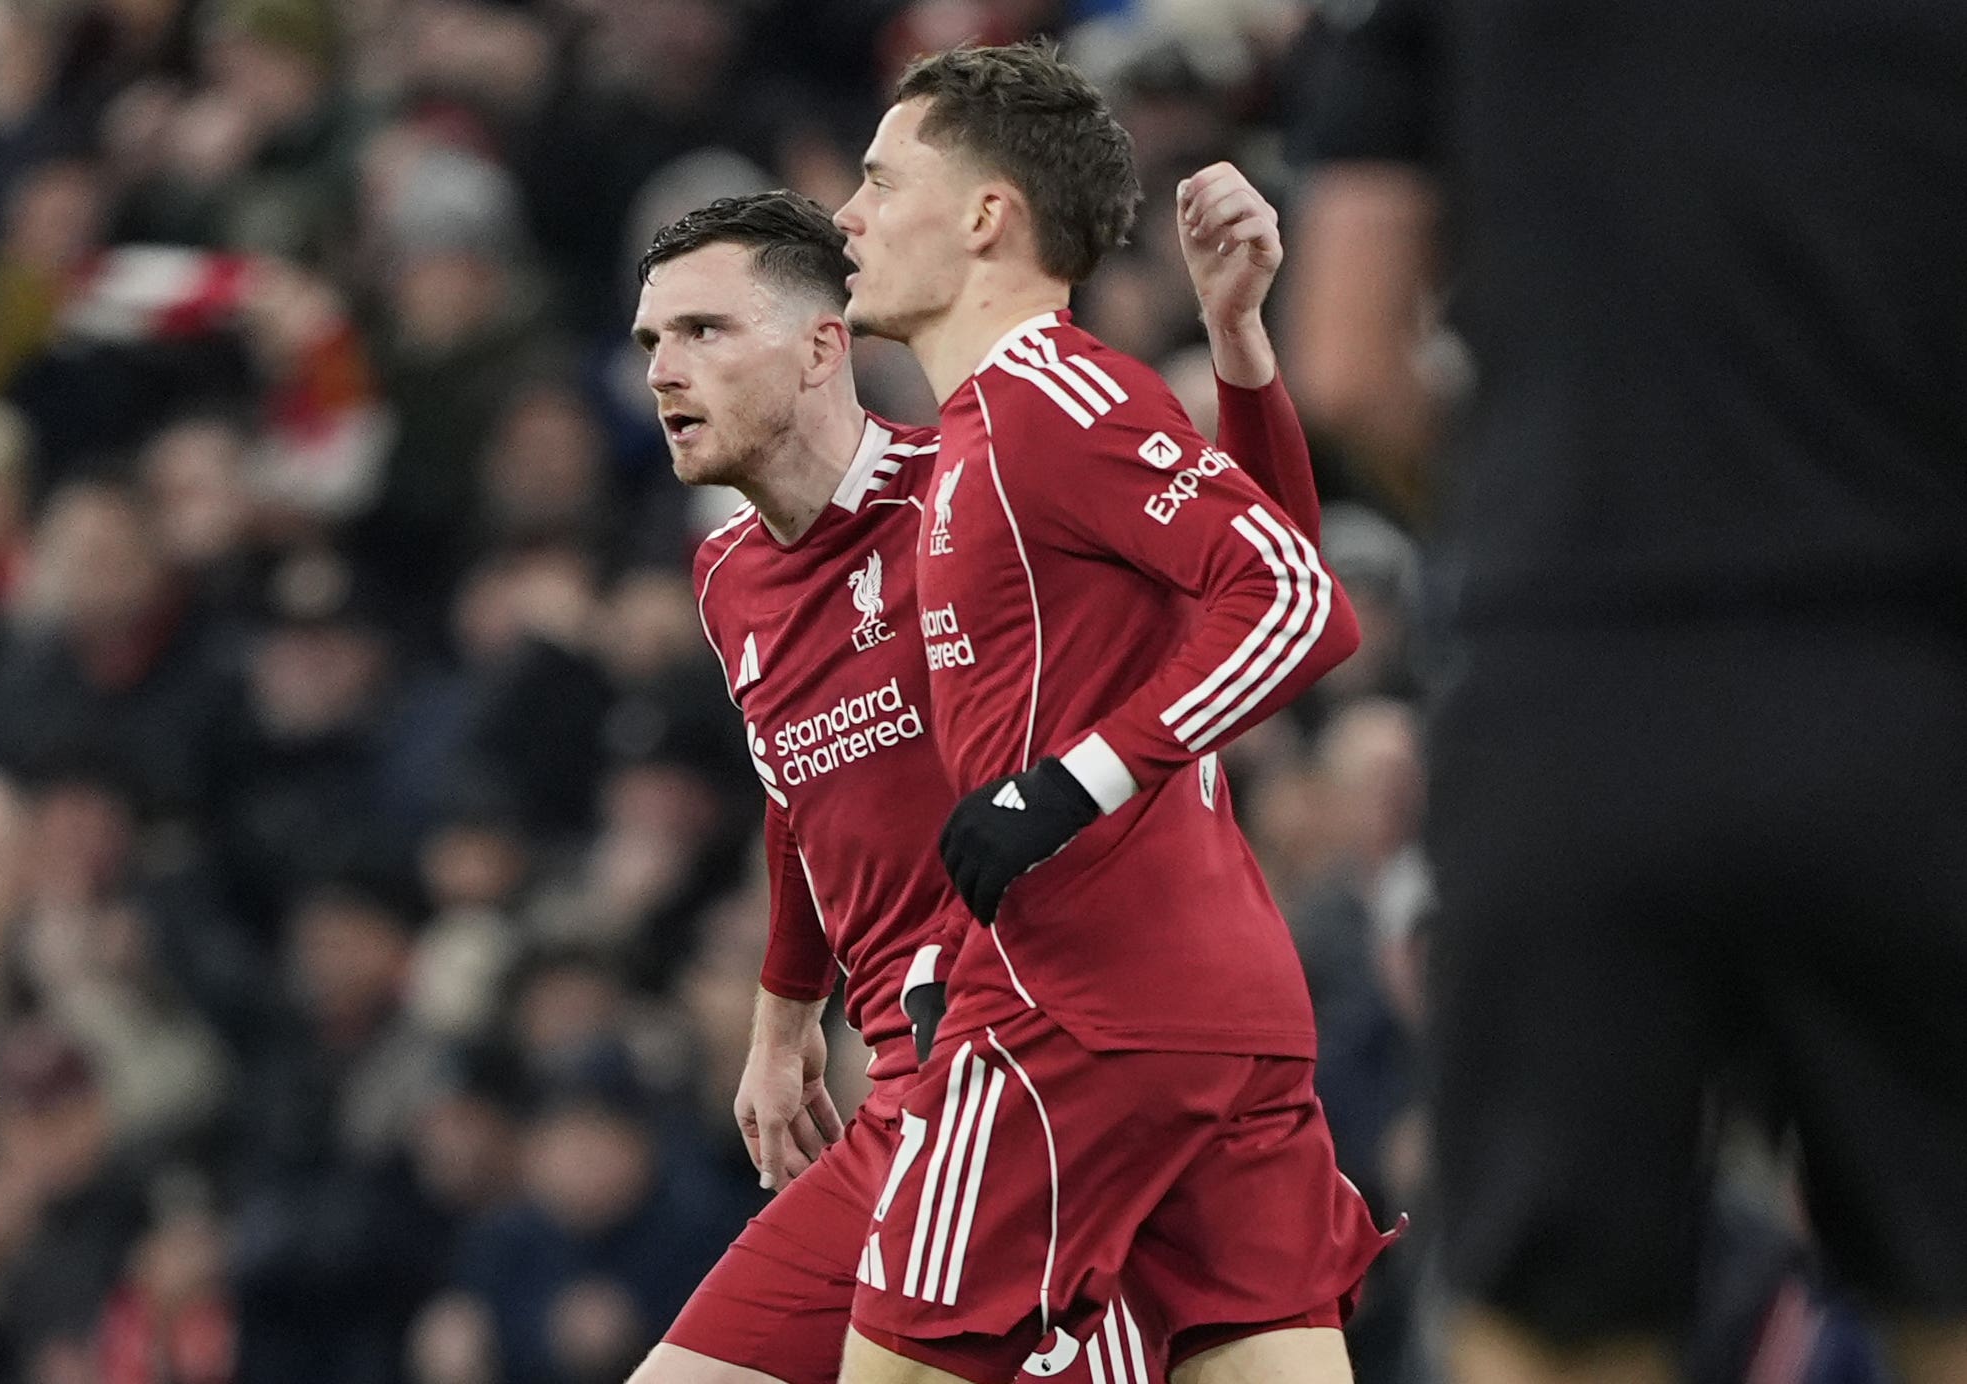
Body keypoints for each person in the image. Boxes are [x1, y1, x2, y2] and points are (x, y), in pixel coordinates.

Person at [1287, 2, 1967, 1383]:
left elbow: (1351, 362)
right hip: (1902, 685)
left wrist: (1527, 533)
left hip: (1574, 688)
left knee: (1555, 1329)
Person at [626, 167, 1332, 1384]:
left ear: (820, 349)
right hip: (918, 1087)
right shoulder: (728, 574)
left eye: (702, 331)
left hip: (1040, 1065)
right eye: (649, 340)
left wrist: (1237, 345)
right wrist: (784, 1014)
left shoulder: (983, 485)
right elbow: (797, 791)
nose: (661, 370)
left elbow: (1268, 563)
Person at [828, 42, 1400, 1384]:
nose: (846, 218)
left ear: (987, 215)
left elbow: (1299, 603)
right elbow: (1263, 572)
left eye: (878, 179)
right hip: (1215, 1006)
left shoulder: (1048, 400)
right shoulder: (1000, 427)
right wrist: (1243, 345)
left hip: (1079, 1004)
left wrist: (1071, 785)